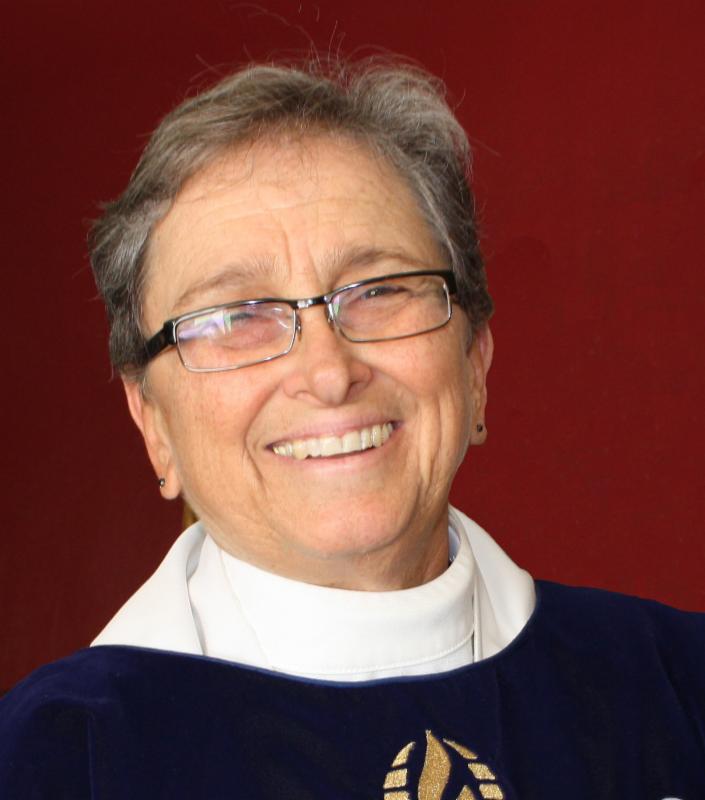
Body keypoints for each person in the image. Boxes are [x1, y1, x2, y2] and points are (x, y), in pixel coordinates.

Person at [1, 57, 703, 799]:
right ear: (152, 423)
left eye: (378, 291)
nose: (328, 372)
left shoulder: (677, 690)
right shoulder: (56, 762)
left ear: (474, 363)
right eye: (236, 317)